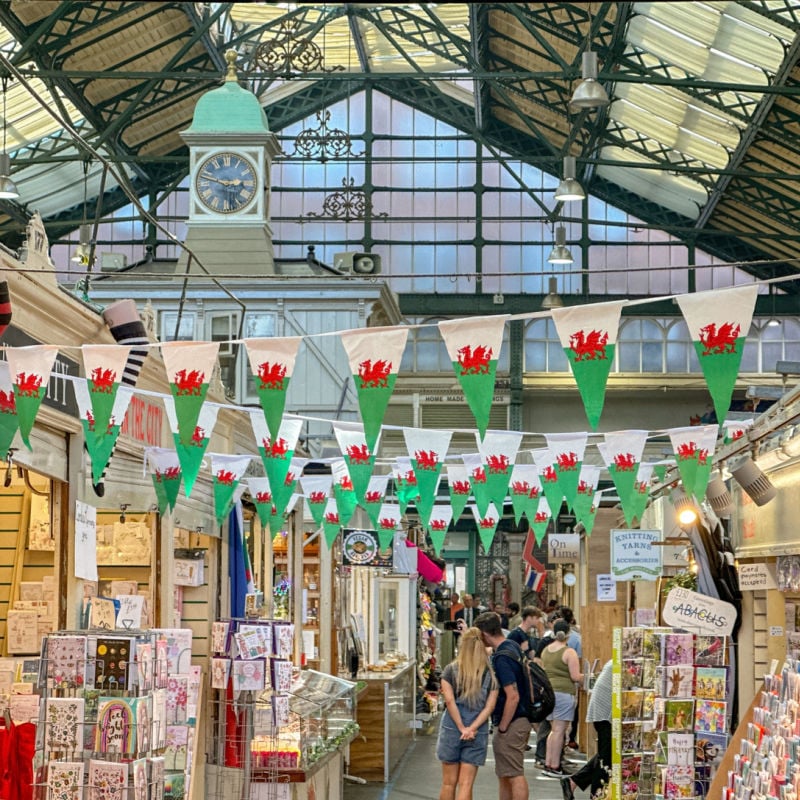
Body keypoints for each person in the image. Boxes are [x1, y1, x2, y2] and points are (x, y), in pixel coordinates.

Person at [474, 611, 532, 800]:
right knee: (505, 773)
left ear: (484, 633)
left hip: (513, 721)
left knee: (514, 773)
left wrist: (504, 726)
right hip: (521, 718)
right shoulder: (511, 646)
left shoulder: (502, 659)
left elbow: (512, 696)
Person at [436, 627, 499, 800]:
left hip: (451, 729)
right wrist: (471, 728)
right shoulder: (490, 674)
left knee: (448, 783)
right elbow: (489, 707)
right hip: (477, 732)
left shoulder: (450, 670)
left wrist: (461, 727)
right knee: (466, 784)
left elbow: (449, 702)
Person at [560, 659, 612, 800]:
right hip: (606, 715)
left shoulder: (614, 662)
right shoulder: (620, 664)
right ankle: (596, 795)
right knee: (606, 759)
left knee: (606, 754)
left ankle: (573, 781)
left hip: (604, 714)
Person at [538, 619, 583, 778]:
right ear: (568, 634)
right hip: (564, 693)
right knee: (560, 730)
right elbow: (575, 676)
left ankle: (548, 762)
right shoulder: (569, 652)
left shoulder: (546, 650)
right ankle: (555, 765)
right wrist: (587, 677)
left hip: (549, 693)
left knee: (553, 730)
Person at [559, 607, 582, 750]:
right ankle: (569, 741)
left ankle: (552, 759)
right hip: (568, 688)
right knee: (561, 726)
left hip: (555, 689)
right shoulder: (576, 640)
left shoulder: (550, 646)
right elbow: (577, 668)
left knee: (556, 728)